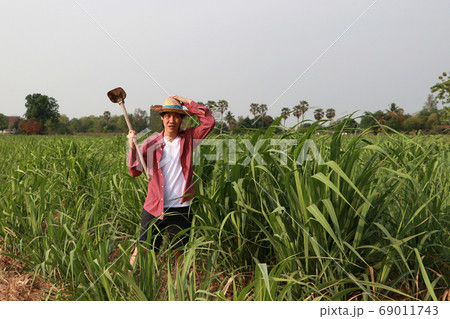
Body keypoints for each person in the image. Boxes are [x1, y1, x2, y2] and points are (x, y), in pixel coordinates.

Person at [127, 95, 215, 266]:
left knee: (180, 254)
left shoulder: (189, 138)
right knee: (143, 249)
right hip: (154, 207)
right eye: (167, 115)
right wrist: (132, 146)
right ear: (162, 118)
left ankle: (179, 290)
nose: (171, 120)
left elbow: (209, 122)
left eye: (176, 116)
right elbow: (134, 171)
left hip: (181, 208)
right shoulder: (150, 143)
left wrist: (187, 102)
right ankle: (129, 283)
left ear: (181, 119)